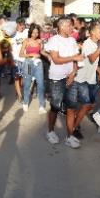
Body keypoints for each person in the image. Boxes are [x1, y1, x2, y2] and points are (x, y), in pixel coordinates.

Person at [43, 17, 85, 147]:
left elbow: (76, 60)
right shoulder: (54, 40)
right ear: (61, 27)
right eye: (69, 26)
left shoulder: (72, 40)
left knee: (71, 107)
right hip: (57, 78)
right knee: (55, 106)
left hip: (71, 78)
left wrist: (73, 73)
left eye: (72, 26)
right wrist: (74, 57)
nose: (72, 28)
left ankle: (69, 136)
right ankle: (50, 131)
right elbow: (56, 59)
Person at [19, 23, 45, 112]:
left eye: (37, 32)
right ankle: (25, 102)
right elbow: (21, 54)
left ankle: (41, 105)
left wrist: (48, 54)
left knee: (41, 84)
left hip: (38, 64)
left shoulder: (39, 41)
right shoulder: (26, 41)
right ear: (30, 32)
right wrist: (31, 55)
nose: (35, 34)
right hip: (29, 64)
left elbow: (41, 52)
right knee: (27, 83)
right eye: (33, 32)